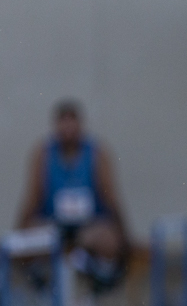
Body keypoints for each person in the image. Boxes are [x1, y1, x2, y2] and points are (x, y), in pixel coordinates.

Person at [16, 101, 129, 290]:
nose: (68, 128)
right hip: (53, 225)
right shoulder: (43, 155)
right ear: (56, 126)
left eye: (72, 122)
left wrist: (124, 235)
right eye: (63, 122)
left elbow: (112, 198)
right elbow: (32, 199)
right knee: (30, 237)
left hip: (89, 227)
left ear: (80, 125)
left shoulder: (97, 154)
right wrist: (19, 234)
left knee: (108, 238)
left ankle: (94, 271)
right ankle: (45, 275)